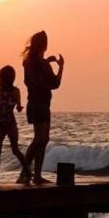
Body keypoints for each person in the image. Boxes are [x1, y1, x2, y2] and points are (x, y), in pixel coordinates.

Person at [22, 31, 64, 184]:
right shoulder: (42, 64)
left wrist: (47, 61)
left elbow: (34, 78)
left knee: (42, 139)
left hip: (33, 104)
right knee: (40, 139)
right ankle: (27, 173)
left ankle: (31, 174)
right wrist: (61, 66)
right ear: (44, 45)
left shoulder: (28, 62)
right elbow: (55, 83)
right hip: (41, 104)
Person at [0, 65, 29, 186]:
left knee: (15, 149)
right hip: (0, 124)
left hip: (10, 123)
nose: (0, 81)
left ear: (8, 79)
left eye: (2, 79)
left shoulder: (15, 91)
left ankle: (27, 171)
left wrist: (20, 107)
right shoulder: (0, 91)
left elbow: (18, 106)